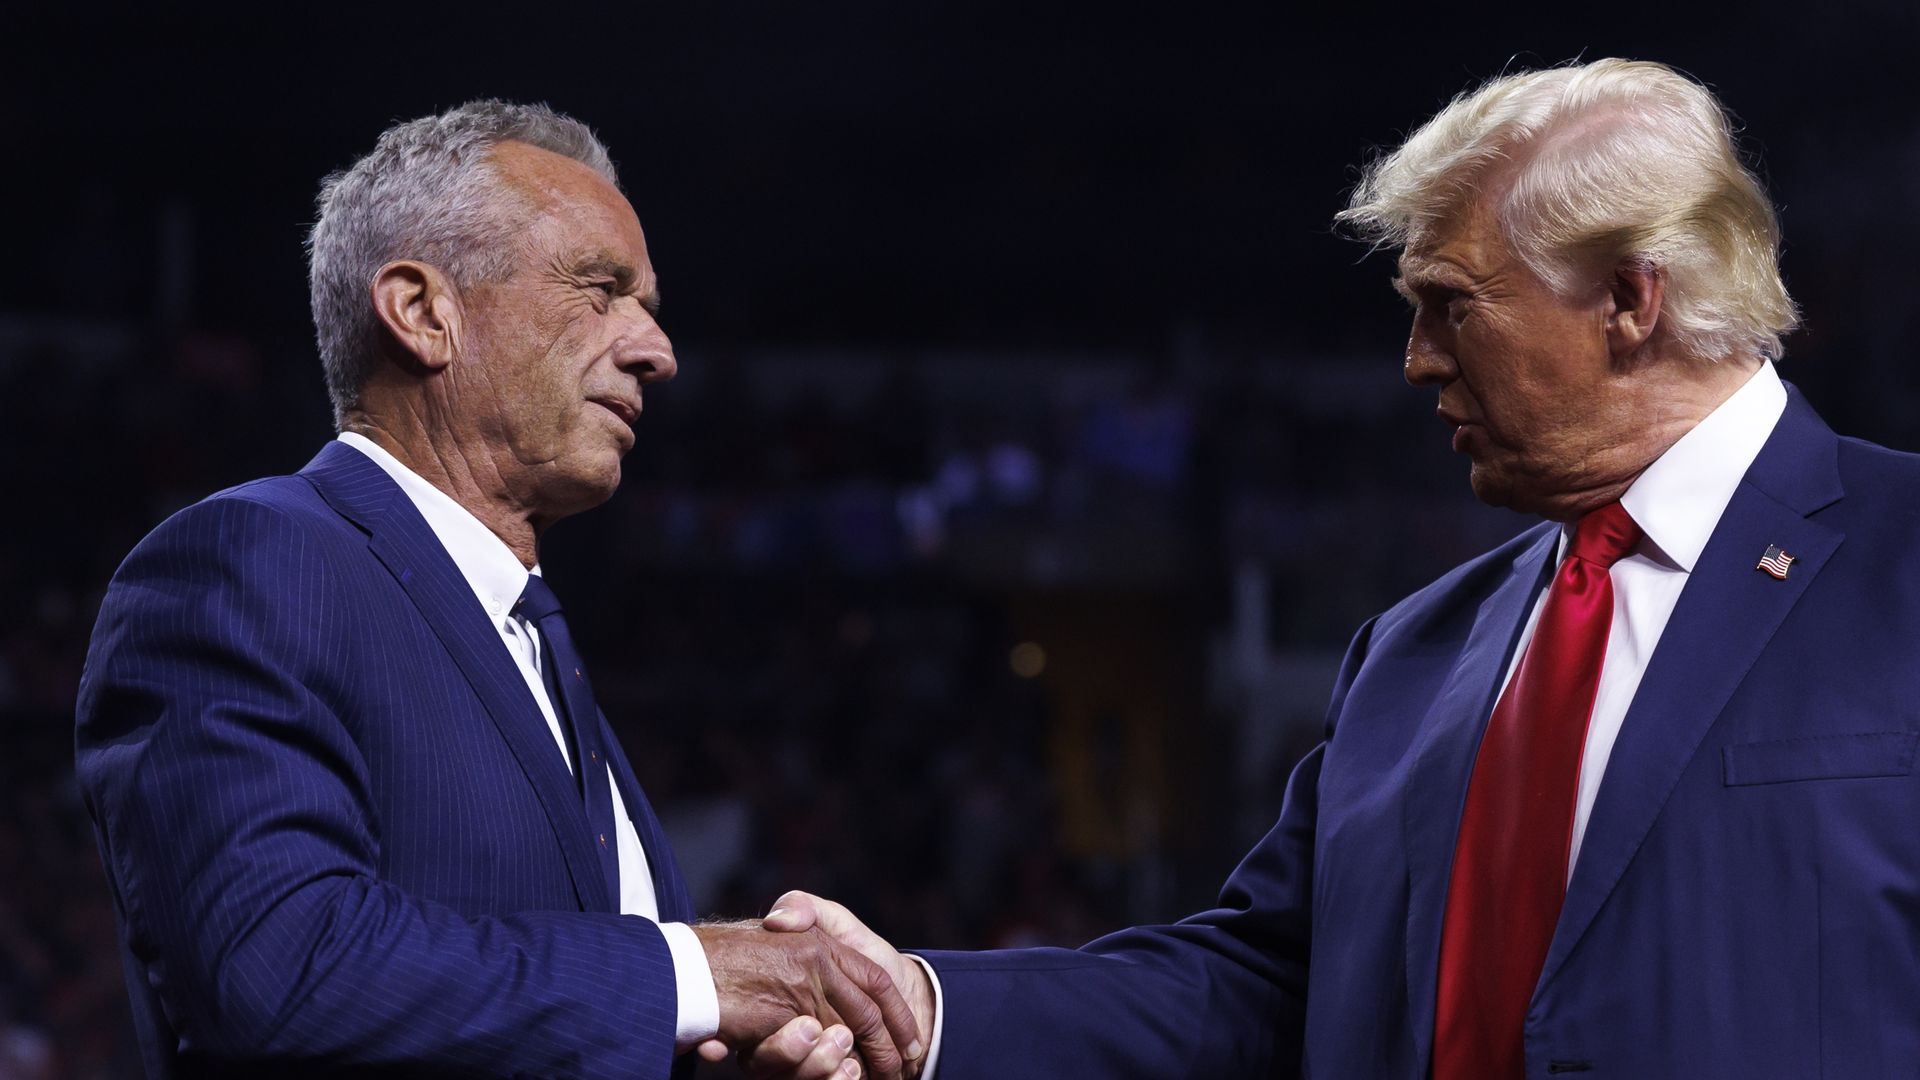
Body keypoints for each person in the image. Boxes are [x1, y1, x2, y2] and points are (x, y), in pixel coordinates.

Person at [746, 58, 1920, 1078]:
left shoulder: (1900, 556)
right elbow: (1257, 984)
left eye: (1450, 308)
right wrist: (918, 1002)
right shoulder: (1415, 651)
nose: (1414, 362)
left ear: (1626, 298)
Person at [75, 101, 917, 1080]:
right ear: (425, 313)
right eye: (602, 291)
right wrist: (697, 967)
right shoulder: (249, 561)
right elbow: (278, 967)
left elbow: (564, 1023)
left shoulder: (528, 635)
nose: (658, 351)